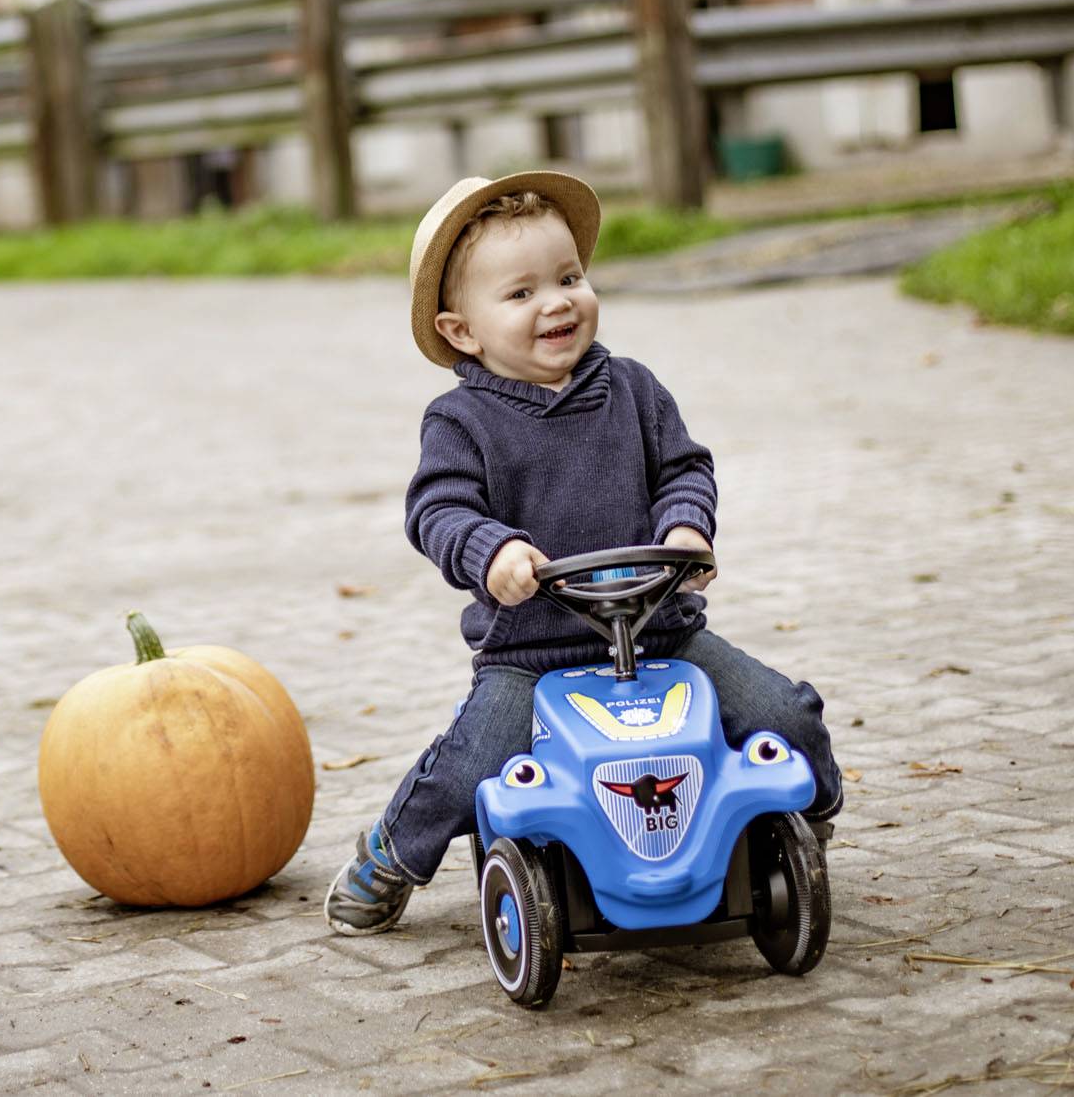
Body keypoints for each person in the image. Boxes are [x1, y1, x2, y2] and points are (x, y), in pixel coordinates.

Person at [324, 171, 841, 934]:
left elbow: (683, 468)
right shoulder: (462, 421)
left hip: (665, 637)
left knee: (780, 710)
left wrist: (686, 528)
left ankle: (809, 815)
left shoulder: (632, 390)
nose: (558, 301)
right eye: (522, 292)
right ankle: (392, 852)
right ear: (462, 330)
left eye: (569, 278)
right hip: (534, 654)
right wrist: (490, 550)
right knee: (469, 765)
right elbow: (437, 508)